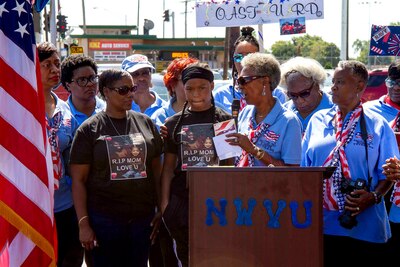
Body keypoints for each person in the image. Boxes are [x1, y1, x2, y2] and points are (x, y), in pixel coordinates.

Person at [301, 60, 399, 266]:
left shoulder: (377, 125)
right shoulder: (317, 121)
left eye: (341, 82)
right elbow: (304, 171)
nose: (333, 87)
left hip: (365, 227)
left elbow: (388, 175)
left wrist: (373, 196)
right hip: (321, 226)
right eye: (333, 81)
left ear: (360, 87)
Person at [69, 69, 163, 266]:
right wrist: (84, 223)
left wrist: (160, 209)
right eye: (122, 90)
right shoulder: (89, 129)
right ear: (106, 92)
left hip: (141, 220)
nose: (130, 94)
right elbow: (78, 180)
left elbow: (157, 170)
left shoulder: (145, 122)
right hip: (104, 222)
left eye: (132, 89)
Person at [161, 62, 232, 266]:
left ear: (211, 86)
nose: (196, 93)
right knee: (186, 257)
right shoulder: (173, 123)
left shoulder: (224, 121)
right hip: (181, 202)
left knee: (214, 256)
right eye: (190, 88)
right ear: (182, 88)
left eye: (202, 87)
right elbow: (168, 170)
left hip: (215, 203)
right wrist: (166, 205)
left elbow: (229, 165)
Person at [38, 42, 83, 266]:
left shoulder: (65, 109)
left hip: (65, 203)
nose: (55, 70)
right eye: (46, 65)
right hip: (33, 205)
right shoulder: (20, 107)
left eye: (57, 64)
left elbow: (74, 155)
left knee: (70, 258)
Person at [226, 52, 302, 167]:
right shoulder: (245, 113)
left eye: (244, 80)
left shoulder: (289, 122)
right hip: (241, 183)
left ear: (265, 81)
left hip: (270, 185)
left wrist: (254, 150)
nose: (240, 86)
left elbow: (291, 172)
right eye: (238, 81)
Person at [364, 59, 400, 257]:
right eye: (391, 82)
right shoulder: (369, 110)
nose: (395, 88)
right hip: (377, 188)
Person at [213, 26, 286, 114]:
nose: (243, 61)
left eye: (249, 56)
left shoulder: (276, 94)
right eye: (238, 57)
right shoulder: (220, 95)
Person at [280, 56, 334, 132]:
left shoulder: (336, 109)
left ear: (317, 85)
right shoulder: (283, 113)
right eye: (292, 95)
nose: (299, 101)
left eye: (304, 93)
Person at [151, 57, 198, 128]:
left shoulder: (216, 113)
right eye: (186, 79)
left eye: (195, 79)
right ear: (173, 85)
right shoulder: (159, 118)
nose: (192, 84)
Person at [61, 54, 105, 126]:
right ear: (68, 85)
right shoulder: (62, 116)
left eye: (93, 78)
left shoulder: (108, 110)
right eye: (82, 80)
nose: (90, 84)